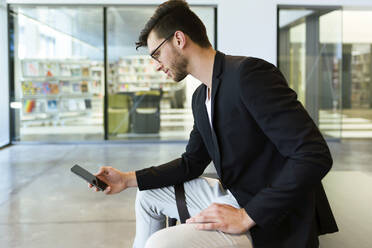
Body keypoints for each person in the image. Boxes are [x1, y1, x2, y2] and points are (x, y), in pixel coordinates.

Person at [89, 1, 338, 247]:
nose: (155, 66)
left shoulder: (248, 75)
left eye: (156, 54)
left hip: (268, 215)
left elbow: (313, 155)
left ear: (179, 39)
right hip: (236, 196)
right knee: (147, 195)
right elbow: (192, 163)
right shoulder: (201, 97)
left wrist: (246, 216)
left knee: (161, 243)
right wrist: (126, 178)